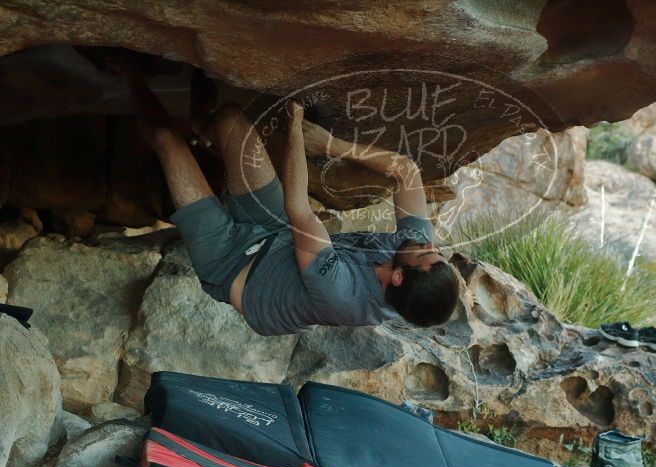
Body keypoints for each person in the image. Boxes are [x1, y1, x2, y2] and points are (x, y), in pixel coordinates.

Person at [126, 67, 460, 336]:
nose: (430, 246)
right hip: (281, 235)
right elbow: (406, 171)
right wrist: (331, 145)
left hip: (231, 265)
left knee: (166, 140)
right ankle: (201, 126)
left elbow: (299, 208)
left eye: (426, 255)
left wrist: (297, 130)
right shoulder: (413, 251)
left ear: (398, 277)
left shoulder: (344, 297)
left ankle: (129, 72)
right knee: (230, 120)